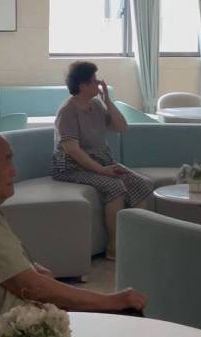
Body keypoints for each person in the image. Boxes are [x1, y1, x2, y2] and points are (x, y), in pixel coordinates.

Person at [0, 128, 147, 321]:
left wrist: (31, 271)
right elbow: (32, 288)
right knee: (126, 311)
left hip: (17, 319)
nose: (14, 171)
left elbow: (24, 277)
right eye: (6, 161)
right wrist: (112, 300)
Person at [52, 61, 154, 259]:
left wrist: (108, 101)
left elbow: (122, 127)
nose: (99, 83)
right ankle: (114, 247)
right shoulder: (68, 111)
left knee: (140, 184)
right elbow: (73, 150)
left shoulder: (96, 105)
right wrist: (102, 170)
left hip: (101, 161)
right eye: (94, 80)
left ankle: (136, 240)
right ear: (82, 85)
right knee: (115, 186)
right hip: (72, 167)